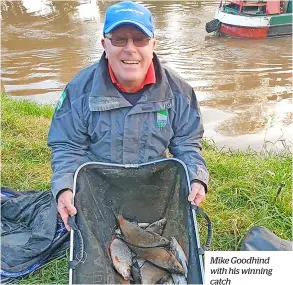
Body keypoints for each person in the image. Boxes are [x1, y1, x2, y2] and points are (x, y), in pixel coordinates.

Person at [48, 1, 209, 231]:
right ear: (105, 44)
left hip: (154, 190)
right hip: (98, 188)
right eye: (120, 39)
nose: (130, 49)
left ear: (153, 44)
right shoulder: (78, 91)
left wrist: (196, 177)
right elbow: (67, 146)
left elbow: (188, 144)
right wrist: (65, 187)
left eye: (140, 39)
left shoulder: (180, 93)